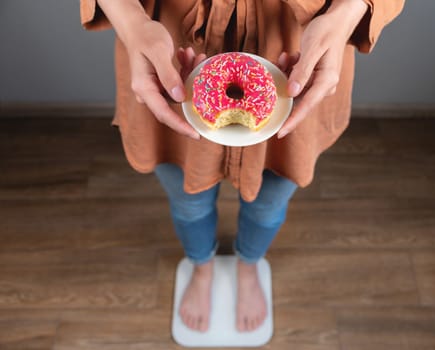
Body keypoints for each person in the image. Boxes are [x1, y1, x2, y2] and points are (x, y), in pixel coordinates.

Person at [80, 0, 404, 333]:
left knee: (270, 201)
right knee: (187, 199)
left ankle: (248, 265)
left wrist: (344, 15)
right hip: (170, 45)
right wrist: (132, 22)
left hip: (297, 47)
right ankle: (201, 268)